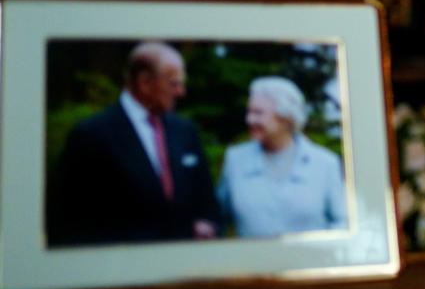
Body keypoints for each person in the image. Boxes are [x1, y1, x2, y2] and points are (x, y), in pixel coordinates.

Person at [48, 42, 219, 245]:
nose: (181, 92)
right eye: (174, 83)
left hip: (184, 266)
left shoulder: (185, 131)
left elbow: (207, 201)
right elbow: (68, 220)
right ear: (144, 82)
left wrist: (207, 224)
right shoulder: (91, 135)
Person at [218, 76, 347, 237]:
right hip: (250, 262)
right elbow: (217, 219)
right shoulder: (235, 159)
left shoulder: (325, 163)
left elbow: (342, 222)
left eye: (258, 113)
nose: (249, 119)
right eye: (249, 112)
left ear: (285, 118)